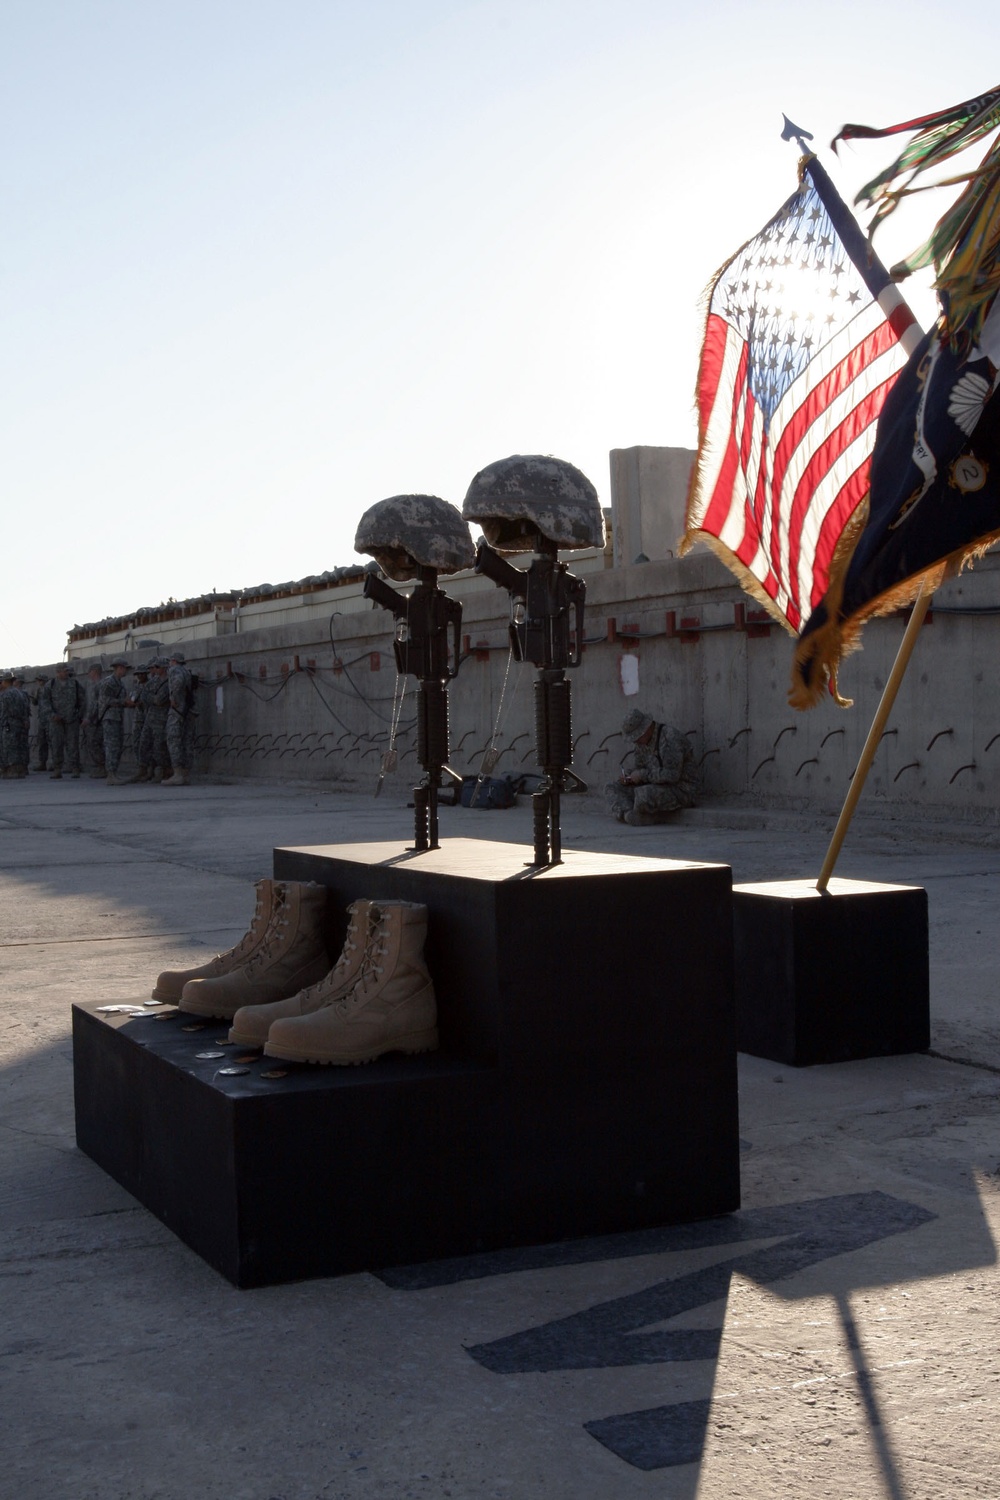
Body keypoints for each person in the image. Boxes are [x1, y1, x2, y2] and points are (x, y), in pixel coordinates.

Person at [605, 707, 698, 825]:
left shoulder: (670, 738)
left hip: (680, 790)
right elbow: (640, 767)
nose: (635, 741)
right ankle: (628, 814)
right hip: (654, 785)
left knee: (643, 794)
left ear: (646, 729)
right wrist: (629, 777)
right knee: (612, 787)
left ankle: (646, 816)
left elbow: (672, 775)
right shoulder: (641, 744)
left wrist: (642, 775)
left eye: (637, 737)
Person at [46, 663, 85, 778]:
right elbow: (45, 702)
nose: (66, 673)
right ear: (58, 672)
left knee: (73, 744)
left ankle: (75, 768)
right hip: (56, 721)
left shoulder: (75, 684)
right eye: (64, 671)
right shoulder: (51, 685)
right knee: (56, 744)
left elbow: (82, 701)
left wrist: (78, 715)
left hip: (71, 719)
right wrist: (52, 715)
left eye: (67, 671)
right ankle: (57, 769)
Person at [163, 650, 195, 786]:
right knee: (187, 741)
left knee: (173, 739)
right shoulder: (187, 671)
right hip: (188, 710)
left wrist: (173, 697)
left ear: (174, 661)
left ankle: (177, 774)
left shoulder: (175, 670)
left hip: (177, 711)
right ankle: (186, 774)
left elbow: (178, 682)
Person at [98, 657, 131, 785]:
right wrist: (123, 702)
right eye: (124, 668)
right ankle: (110, 775)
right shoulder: (109, 682)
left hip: (117, 717)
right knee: (111, 746)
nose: (125, 671)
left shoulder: (119, 683)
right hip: (110, 718)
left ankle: (113, 773)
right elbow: (105, 700)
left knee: (117, 746)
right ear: (119, 668)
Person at [141, 658, 172, 782]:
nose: (155, 669)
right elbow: (143, 695)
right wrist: (152, 698)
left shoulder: (169, 682)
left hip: (161, 719)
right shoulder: (153, 681)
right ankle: (147, 770)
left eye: (158, 667)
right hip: (150, 717)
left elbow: (160, 700)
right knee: (145, 744)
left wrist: (151, 698)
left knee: (160, 747)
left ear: (164, 668)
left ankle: (164, 770)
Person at [0, 670, 31, 778]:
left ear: (5, 681)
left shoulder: (6, 694)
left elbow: (7, 710)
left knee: (9, 748)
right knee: (18, 747)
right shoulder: (20, 692)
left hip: (9, 723)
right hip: (19, 723)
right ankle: (20, 771)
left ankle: (12, 771)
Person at [81, 664, 106, 778]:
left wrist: (88, 718)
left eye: (90, 671)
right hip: (94, 719)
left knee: (94, 743)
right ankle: (100, 767)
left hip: (96, 720)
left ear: (94, 671)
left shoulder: (99, 685)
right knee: (93, 743)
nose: (88, 674)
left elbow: (96, 704)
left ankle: (102, 767)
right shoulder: (92, 685)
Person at [29, 673, 52, 772]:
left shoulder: (50, 689)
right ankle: (42, 762)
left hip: (50, 718)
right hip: (42, 718)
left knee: (52, 741)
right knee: (41, 741)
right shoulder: (39, 690)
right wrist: (33, 697)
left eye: (40, 680)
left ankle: (54, 763)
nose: (39, 682)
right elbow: (35, 703)